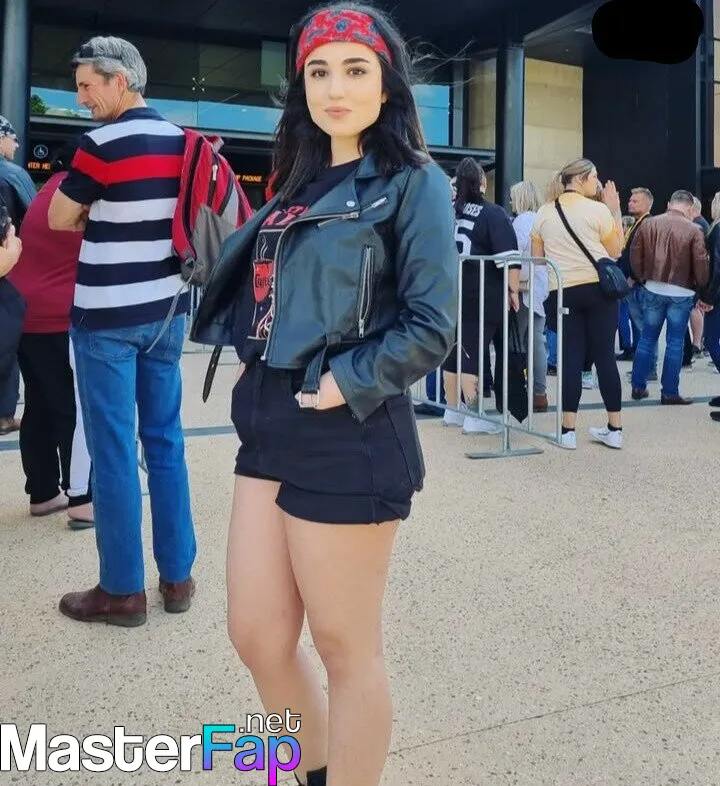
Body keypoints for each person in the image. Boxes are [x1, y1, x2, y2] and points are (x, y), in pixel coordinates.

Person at [190, 5, 458, 786]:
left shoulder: (414, 184)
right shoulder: (296, 184)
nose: (335, 88)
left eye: (355, 69)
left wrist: (344, 382)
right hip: (268, 425)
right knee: (255, 634)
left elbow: (432, 325)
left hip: (350, 429)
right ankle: (306, 770)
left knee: (346, 648)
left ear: (387, 83)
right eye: (319, 71)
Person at [48, 36, 196, 626]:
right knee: (166, 442)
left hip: (107, 317)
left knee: (112, 450)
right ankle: (178, 577)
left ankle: (122, 590)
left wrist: (96, 210)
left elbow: (59, 216)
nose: (81, 98)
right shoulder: (183, 141)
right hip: (168, 313)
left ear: (121, 80)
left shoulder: (101, 144)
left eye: (88, 85)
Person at [7, 138, 93, 525]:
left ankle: (42, 493)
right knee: (71, 408)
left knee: (39, 405)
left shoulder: (47, 192)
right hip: (58, 316)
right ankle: (82, 497)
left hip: (26, 313)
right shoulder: (80, 195)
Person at [531, 158, 625, 450]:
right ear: (581, 178)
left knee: (570, 357)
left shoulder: (545, 212)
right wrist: (615, 210)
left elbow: (537, 258)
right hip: (599, 290)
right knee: (605, 357)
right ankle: (615, 428)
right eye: (594, 177)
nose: (598, 182)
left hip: (564, 290)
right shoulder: (598, 210)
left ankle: (568, 431)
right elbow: (616, 250)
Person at [441, 157, 519, 434]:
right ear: (482, 182)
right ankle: (474, 414)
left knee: (453, 351)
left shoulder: (450, 212)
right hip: (482, 293)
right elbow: (509, 259)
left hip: (451, 291)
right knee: (472, 352)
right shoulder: (492, 213)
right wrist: (513, 291)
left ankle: (453, 409)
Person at [630, 190, 710, 404]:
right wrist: (701, 287)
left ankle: (638, 385)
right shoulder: (694, 230)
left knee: (647, 338)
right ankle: (669, 392)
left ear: (669, 203)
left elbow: (635, 256)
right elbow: (701, 265)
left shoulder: (649, 224)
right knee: (675, 343)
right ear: (690, 208)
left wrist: (642, 278)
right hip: (682, 292)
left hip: (652, 287)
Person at [0, 115, 36, 436]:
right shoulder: (13, 174)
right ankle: (4, 414)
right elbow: (36, 219)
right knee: (8, 342)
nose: (16, 144)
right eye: (12, 138)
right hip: (9, 267)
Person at [510, 179, 548, 412]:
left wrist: (511, 284)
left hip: (523, 289)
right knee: (537, 340)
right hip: (541, 288)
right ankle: (540, 393)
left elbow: (516, 256)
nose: (510, 202)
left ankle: (520, 390)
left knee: (519, 342)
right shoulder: (542, 219)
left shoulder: (521, 222)